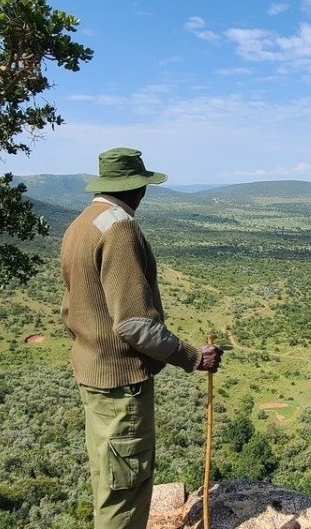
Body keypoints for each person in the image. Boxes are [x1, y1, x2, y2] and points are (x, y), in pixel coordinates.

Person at [60, 147, 222, 529]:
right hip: (121, 386)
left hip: (93, 375)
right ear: (138, 188)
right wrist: (193, 357)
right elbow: (134, 324)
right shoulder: (120, 229)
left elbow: (71, 309)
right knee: (127, 493)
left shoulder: (81, 224)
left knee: (109, 484)